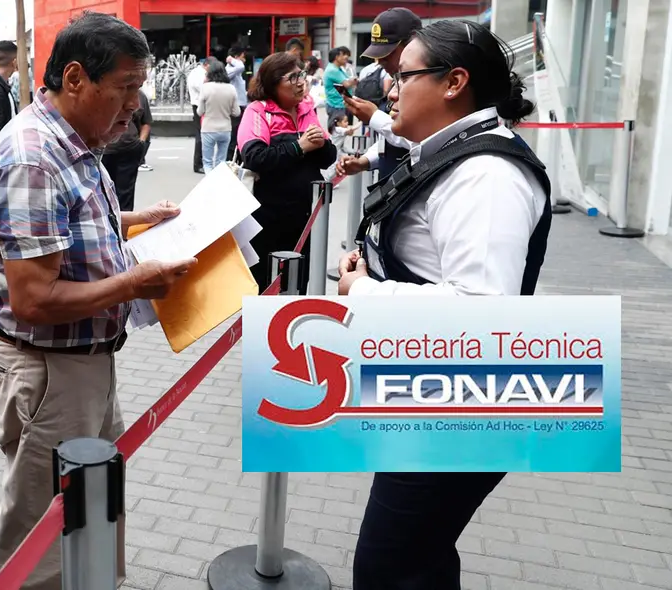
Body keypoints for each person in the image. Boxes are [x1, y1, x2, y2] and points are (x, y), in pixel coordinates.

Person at [0, 12, 197, 589]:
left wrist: (136, 219)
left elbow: (66, 227)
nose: (134, 106)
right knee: (47, 533)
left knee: (93, 508)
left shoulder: (73, 140)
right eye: (125, 88)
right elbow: (34, 298)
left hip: (83, 364)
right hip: (50, 372)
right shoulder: (33, 158)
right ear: (75, 78)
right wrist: (134, 283)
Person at [336, 20, 551, 590]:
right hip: (435, 389)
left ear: (454, 83)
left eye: (402, 75)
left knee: (390, 569)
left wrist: (363, 292)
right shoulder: (454, 154)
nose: (389, 88)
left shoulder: (486, 175)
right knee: (419, 559)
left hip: (459, 410)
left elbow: (480, 311)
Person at [236, 51, 337, 293]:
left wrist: (321, 145)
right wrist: (299, 146)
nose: (301, 82)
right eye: (293, 77)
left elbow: (328, 159)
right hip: (268, 220)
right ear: (273, 83)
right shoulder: (258, 111)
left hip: (306, 218)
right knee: (266, 283)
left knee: (298, 282)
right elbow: (255, 157)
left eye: (302, 74)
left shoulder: (306, 110)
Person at [340, 7, 422, 182]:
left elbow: (421, 140)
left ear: (414, 44)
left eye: (388, 54)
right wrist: (364, 161)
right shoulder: (396, 80)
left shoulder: (427, 86)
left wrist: (375, 117)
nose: (380, 62)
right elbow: (389, 142)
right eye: (378, 55)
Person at [101, 88, 152, 211]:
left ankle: (125, 220)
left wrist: (141, 142)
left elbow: (146, 122)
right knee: (103, 192)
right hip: (104, 151)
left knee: (126, 193)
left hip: (129, 149)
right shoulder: (103, 90)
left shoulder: (140, 95)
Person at [197, 59, 240, 172]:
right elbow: (236, 112)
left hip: (208, 128)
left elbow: (200, 111)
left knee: (207, 162)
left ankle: (210, 181)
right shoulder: (231, 88)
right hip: (225, 129)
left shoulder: (205, 88)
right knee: (221, 162)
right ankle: (218, 180)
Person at [323, 46, 355, 135]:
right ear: (337, 57)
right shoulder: (333, 70)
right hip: (336, 104)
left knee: (341, 131)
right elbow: (347, 84)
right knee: (337, 132)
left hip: (339, 103)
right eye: (343, 55)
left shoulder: (338, 69)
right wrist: (354, 81)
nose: (346, 57)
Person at [225, 45, 249, 159]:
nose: (244, 60)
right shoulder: (230, 70)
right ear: (235, 57)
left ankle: (237, 159)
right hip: (235, 107)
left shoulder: (237, 72)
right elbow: (240, 66)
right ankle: (229, 160)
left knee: (240, 135)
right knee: (233, 136)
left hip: (241, 107)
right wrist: (231, 60)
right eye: (242, 57)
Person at [186, 58, 208, 173]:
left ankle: (200, 162)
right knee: (201, 134)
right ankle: (198, 163)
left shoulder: (195, 72)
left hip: (198, 105)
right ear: (207, 65)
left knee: (201, 134)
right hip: (199, 105)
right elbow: (202, 88)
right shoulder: (199, 74)